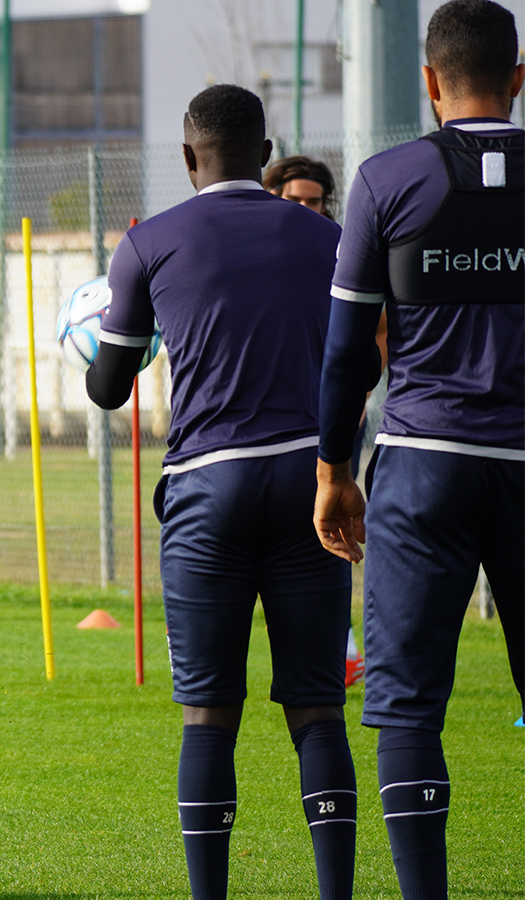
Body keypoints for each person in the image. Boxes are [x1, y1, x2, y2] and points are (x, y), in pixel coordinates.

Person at [87, 85, 380, 900]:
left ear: (187, 159)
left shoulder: (147, 245)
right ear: (265, 153)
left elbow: (110, 389)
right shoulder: (328, 236)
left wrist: (101, 345)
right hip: (309, 482)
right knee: (318, 707)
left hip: (206, 490)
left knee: (209, 714)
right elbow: (365, 359)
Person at [313, 2, 524, 897]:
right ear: (517, 79)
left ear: (431, 82)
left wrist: (331, 469)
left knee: (406, 705)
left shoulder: (387, 178)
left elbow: (347, 350)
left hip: (423, 462)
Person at [267, 154, 376, 689]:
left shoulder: (339, 248)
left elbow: (375, 327)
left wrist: (358, 396)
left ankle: (345, 646)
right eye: (295, 201)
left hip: (330, 416)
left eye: (315, 201)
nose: (307, 209)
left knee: (326, 526)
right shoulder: (257, 253)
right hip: (265, 419)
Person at [263, 154, 338, 219]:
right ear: (274, 198)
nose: (304, 208)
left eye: (313, 202)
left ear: (323, 206)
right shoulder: (259, 231)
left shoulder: (333, 234)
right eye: (294, 200)